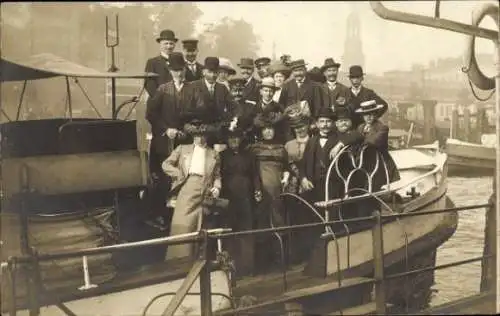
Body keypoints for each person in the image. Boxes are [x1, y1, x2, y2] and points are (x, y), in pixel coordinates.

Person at [162, 109, 222, 262]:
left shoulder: (213, 154)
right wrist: (179, 174)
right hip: (187, 189)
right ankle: (177, 261)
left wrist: (217, 187)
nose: (199, 139)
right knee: (182, 225)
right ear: (192, 136)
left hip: (205, 191)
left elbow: (217, 175)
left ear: (207, 136)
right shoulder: (183, 149)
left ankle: (196, 263)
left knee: (200, 227)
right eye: (196, 135)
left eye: (202, 135)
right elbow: (165, 164)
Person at [251, 111, 291, 271]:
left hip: (277, 190)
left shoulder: (281, 149)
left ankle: (280, 261)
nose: (268, 132)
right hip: (261, 191)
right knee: (262, 223)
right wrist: (256, 188)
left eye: (271, 129)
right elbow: (252, 171)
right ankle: (262, 264)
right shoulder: (254, 149)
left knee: (279, 221)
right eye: (265, 129)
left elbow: (287, 167)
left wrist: (286, 176)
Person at [220, 126, 262, 277]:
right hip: (228, 198)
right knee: (230, 233)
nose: (234, 141)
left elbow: (255, 174)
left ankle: (248, 268)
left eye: (237, 138)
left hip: (246, 198)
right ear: (227, 140)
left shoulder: (248, 155)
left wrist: (257, 190)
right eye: (231, 138)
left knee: (247, 231)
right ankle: (231, 269)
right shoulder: (222, 156)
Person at [355, 99, 401, 191]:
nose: (369, 117)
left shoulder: (382, 128)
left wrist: (357, 141)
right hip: (364, 162)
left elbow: (373, 142)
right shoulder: (360, 127)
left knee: (375, 187)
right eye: (366, 114)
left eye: (372, 114)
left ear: (376, 114)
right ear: (362, 116)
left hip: (379, 163)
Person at [189, 57, 232, 147]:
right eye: (210, 72)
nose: (213, 75)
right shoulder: (193, 86)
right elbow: (187, 109)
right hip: (198, 133)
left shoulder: (222, 88)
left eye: (215, 72)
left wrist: (229, 121)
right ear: (203, 72)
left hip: (216, 134)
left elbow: (233, 107)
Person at [300, 107, 338, 203]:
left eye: (328, 121)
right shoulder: (311, 141)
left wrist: (340, 145)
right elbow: (303, 163)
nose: (325, 125)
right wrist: (303, 179)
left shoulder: (339, 139)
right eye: (322, 121)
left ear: (333, 123)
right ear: (317, 124)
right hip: (313, 185)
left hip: (333, 185)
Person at [284, 103, 311, 194]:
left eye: (302, 126)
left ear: (307, 126)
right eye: (296, 127)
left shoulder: (313, 142)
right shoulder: (288, 145)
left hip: (309, 182)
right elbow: (286, 165)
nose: (300, 130)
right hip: (292, 185)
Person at [144, 29, 178, 97]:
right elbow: (149, 84)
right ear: (160, 44)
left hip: (178, 102)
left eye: (171, 43)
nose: (169, 46)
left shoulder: (179, 61)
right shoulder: (152, 62)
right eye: (166, 43)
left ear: (174, 45)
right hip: (159, 102)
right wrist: (160, 99)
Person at [254, 77, 287, 143]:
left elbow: (283, 127)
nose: (268, 94)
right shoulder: (254, 107)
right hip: (258, 142)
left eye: (271, 91)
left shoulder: (279, 107)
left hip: (276, 141)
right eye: (265, 91)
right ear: (261, 92)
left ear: (274, 92)